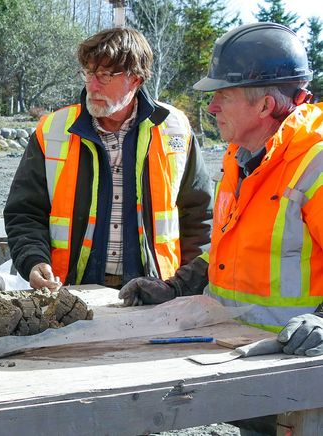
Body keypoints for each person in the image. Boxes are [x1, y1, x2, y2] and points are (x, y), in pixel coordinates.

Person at [121, 22, 323, 358]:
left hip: (293, 367)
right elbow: (230, 249)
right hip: (233, 349)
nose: (212, 107)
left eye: (223, 96)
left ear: (265, 106)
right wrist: (175, 287)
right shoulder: (240, 158)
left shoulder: (314, 161)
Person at [4, 27, 212, 292]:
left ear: (136, 79)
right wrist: (34, 261)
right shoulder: (53, 130)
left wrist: (181, 287)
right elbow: (24, 212)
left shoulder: (175, 129)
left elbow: (200, 217)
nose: (92, 85)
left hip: (155, 292)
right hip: (66, 293)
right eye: (89, 73)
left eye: (104, 75)